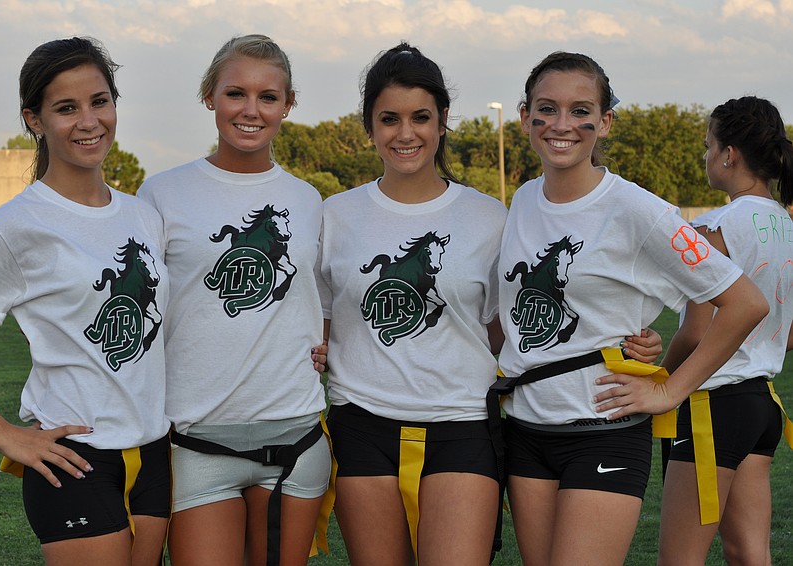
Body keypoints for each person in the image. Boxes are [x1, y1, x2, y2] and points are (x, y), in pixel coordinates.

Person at [317, 42, 663, 566]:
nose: (405, 133)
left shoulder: (491, 217)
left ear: (443, 121)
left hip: (463, 423)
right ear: (369, 126)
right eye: (389, 119)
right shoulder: (333, 215)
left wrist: (625, 339)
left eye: (420, 117)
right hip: (361, 422)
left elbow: (513, 322)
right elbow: (315, 319)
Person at [497, 51, 770, 566]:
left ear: (605, 121)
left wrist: (669, 388)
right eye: (546, 108)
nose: (562, 125)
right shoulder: (524, 200)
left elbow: (743, 303)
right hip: (525, 430)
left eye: (581, 111)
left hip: (603, 430)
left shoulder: (637, 209)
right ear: (524, 116)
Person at [0, 37, 171, 565]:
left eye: (99, 101)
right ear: (34, 121)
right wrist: (4, 434)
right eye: (66, 108)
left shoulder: (143, 215)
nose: (88, 121)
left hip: (155, 452)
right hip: (75, 461)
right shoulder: (15, 225)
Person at [136, 34, 330, 566]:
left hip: (294, 438)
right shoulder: (161, 194)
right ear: (209, 97)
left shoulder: (307, 200)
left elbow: (329, 298)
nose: (251, 110)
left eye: (268, 97)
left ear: (288, 106)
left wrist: (330, 343)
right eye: (235, 93)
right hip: (197, 441)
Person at [656, 96, 793, 566]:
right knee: (750, 553)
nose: (705, 154)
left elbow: (695, 332)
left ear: (729, 154)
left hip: (712, 407)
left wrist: (659, 382)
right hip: (761, 406)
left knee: (680, 558)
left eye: (708, 144)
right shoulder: (787, 224)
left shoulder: (714, 227)